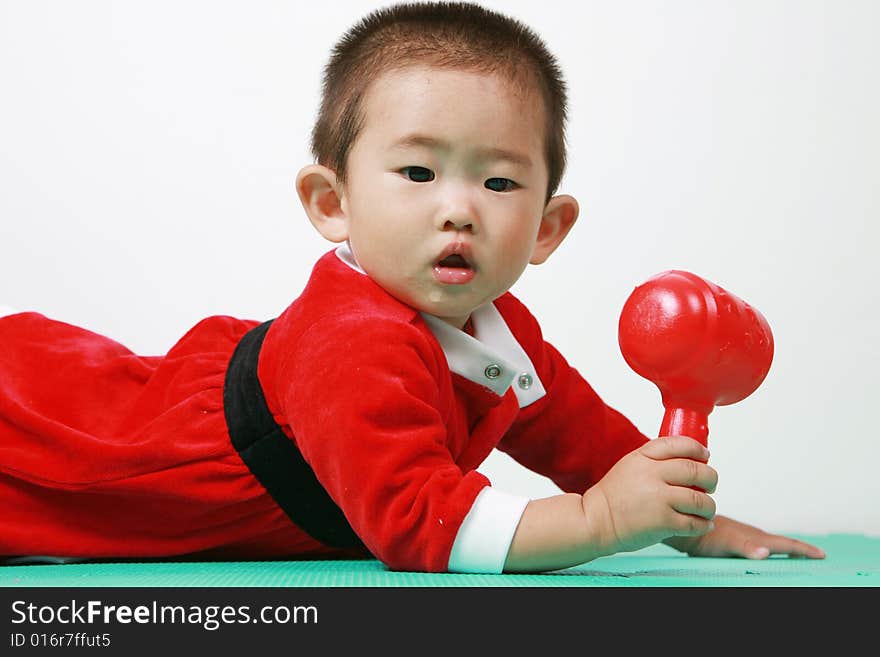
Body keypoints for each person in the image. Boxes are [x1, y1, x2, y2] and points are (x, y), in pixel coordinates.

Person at [0, 1, 824, 573]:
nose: (458, 208)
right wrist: (604, 521)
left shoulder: (497, 328)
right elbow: (421, 524)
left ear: (547, 227)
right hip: (111, 459)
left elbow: (577, 438)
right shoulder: (351, 339)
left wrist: (695, 524)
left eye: (499, 183)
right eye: (419, 171)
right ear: (333, 203)